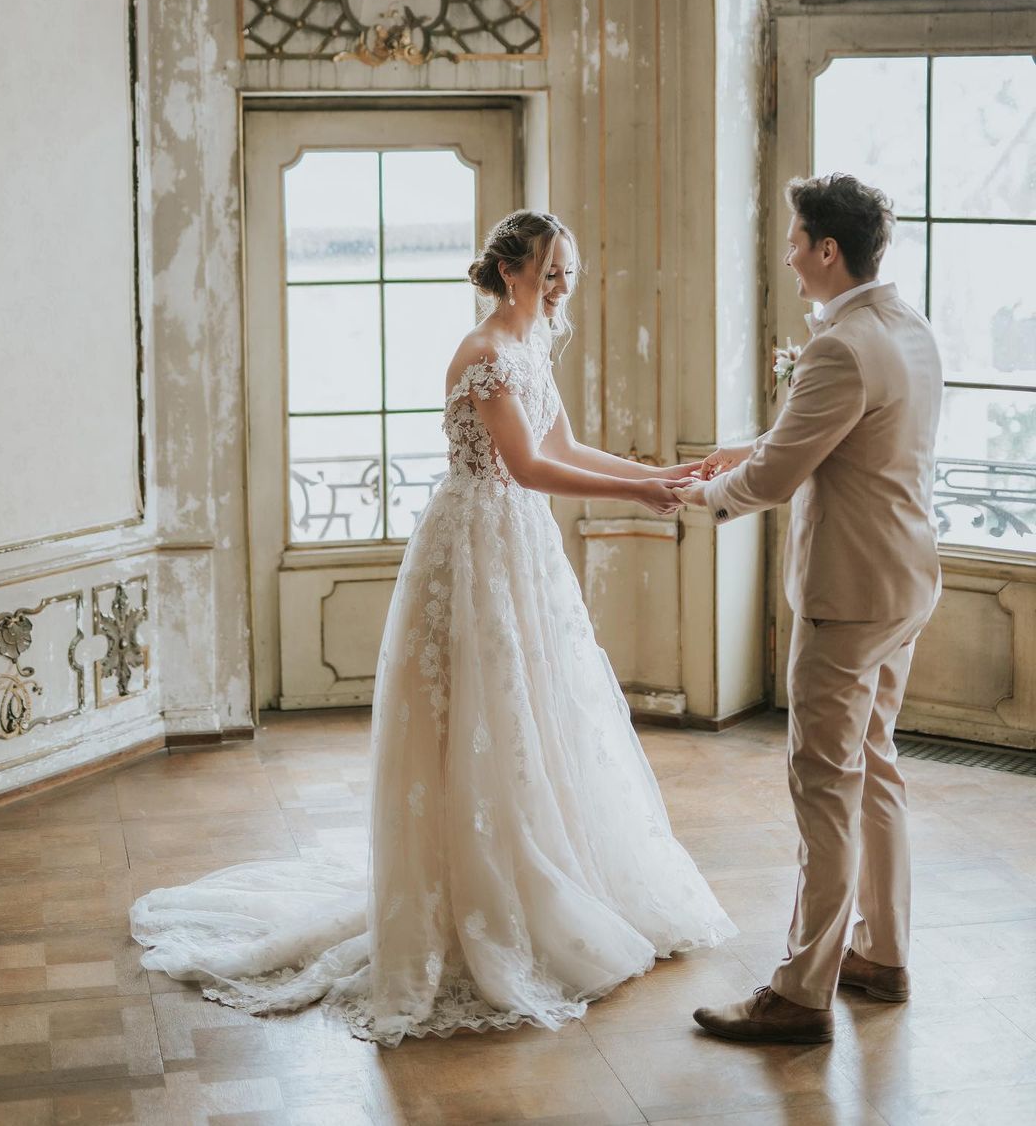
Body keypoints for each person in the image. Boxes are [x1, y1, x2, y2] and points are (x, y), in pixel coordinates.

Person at [131, 209, 735, 1046]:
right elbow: (525, 465)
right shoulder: (484, 353)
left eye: (570, 270)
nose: (564, 285)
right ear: (513, 271)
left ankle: (549, 869)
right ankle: (479, 891)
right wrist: (638, 496)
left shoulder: (533, 349)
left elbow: (564, 440)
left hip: (520, 546)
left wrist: (653, 471)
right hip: (476, 545)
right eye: (552, 270)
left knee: (536, 706)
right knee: (479, 712)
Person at [675, 173, 942, 1044]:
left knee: (823, 784)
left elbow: (778, 479)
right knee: (876, 764)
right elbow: (844, 434)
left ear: (829, 249)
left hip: (847, 595)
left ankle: (799, 992)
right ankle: (883, 953)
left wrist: (695, 495)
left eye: (796, 240)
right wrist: (750, 442)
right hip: (904, 580)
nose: (788, 255)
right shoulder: (908, 326)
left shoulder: (839, 346)